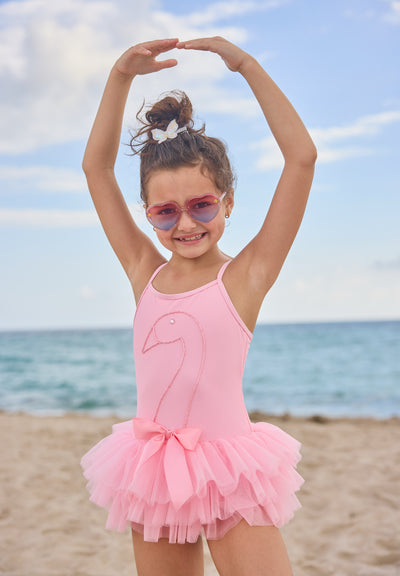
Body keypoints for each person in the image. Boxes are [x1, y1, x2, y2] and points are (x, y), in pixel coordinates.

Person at [80, 37, 317, 576]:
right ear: (147, 214)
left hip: (230, 469)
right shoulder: (146, 271)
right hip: (155, 471)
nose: (185, 224)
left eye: (202, 205)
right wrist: (119, 76)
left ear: (228, 201)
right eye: (165, 212)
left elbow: (301, 159)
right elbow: (97, 170)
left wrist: (247, 65)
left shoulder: (247, 276)